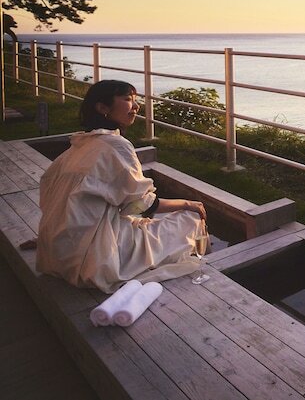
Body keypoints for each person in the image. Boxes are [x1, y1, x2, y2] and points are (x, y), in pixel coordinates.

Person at [36, 80, 208, 293]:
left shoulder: (79, 145)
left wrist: (50, 236)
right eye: (128, 99)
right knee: (190, 218)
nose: (136, 106)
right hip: (93, 259)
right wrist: (188, 203)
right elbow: (143, 205)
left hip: (57, 253)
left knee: (146, 221)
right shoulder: (116, 145)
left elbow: (51, 194)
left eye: (135, 100)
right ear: (103, 108)